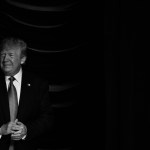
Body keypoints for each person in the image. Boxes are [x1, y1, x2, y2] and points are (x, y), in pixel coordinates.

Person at [0, 37, 53, 150]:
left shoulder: (38, 84)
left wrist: (27, 130)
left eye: (11, 55)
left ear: (22, 59)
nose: (5, 59)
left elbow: (47, 118)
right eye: (2, 54)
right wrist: (0, 130)